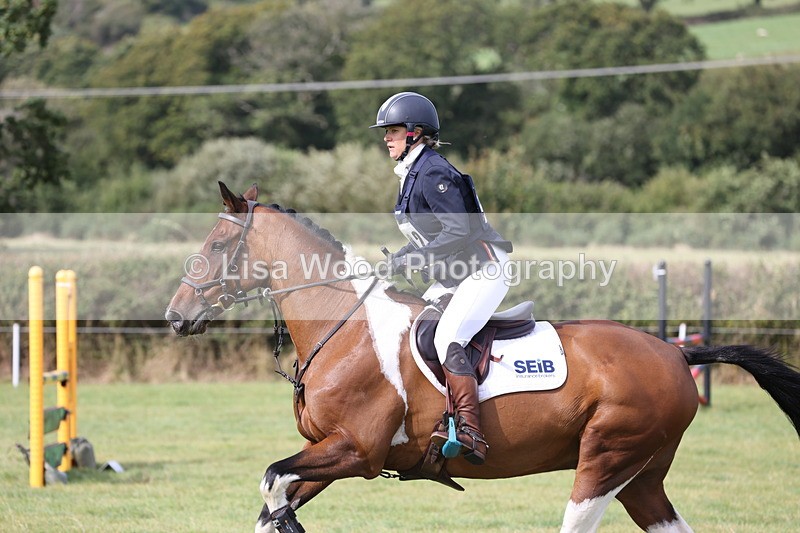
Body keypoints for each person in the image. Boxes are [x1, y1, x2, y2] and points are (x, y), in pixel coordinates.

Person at [370, 91, 513, 465]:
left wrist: (412, 258)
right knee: (415, 328)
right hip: (455, 276)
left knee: (450, 336)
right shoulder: (413, 174)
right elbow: (427, 238)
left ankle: (469, 429)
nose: (387, 137)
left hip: (484, 269)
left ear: (416, 133)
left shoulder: (432, 171)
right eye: (387, 131)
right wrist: (398, 261)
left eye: (394, 130)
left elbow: (459, 232)